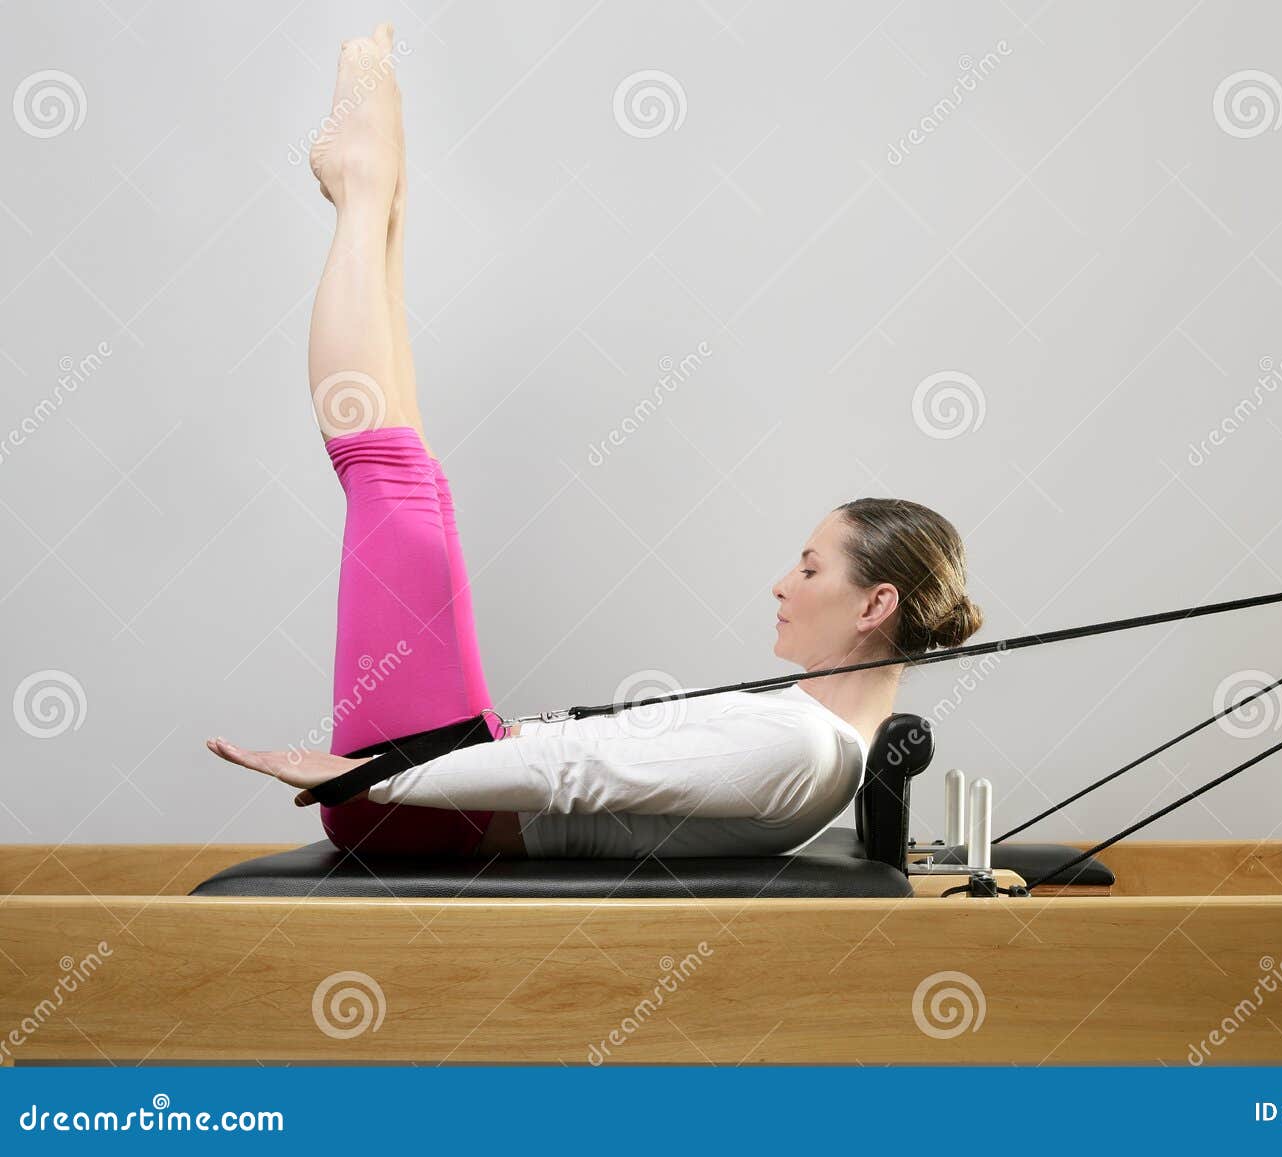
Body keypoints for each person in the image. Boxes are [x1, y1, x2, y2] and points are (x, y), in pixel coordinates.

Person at [205, 25, 983, 860]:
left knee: (387, 476)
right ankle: (379, 195)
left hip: (429, 804)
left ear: (876, 606)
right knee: (417, 483)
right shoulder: (816, 740)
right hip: (456, 772)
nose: (782, 583)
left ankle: (366, 190)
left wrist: (364, 777)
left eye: (810, 565)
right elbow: (583, 765)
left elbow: (578, 776)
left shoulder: (809, 749)